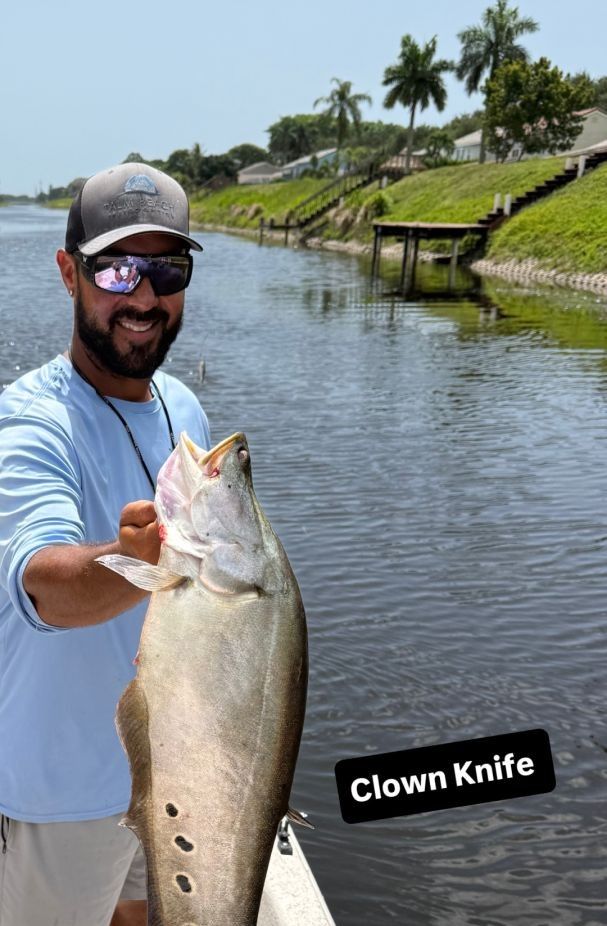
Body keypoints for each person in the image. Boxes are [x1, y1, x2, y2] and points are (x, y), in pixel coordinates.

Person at [0, 163, 210, 926]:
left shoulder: (181, 405)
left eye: (166, 269)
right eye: (118, 268)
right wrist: (140, 561)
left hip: (167, 770)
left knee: (132, 915)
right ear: (69, 272)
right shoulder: (29, 423)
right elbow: (44, 583)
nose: (144, 296)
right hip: (61, 791)